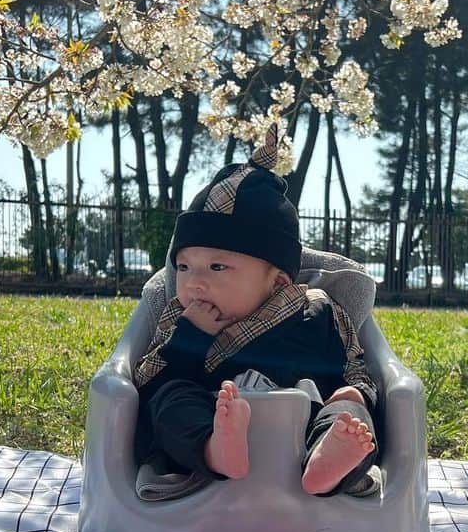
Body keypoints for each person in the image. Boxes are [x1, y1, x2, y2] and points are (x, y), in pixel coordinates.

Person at [132, 132, 378, 501]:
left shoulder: (318, 311)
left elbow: (355, 365)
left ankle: (327, 464)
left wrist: (355, 393)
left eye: (217, 267)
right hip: (210, 418)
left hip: (302, 426)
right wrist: (190, 338)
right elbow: (146, 388)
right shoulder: (179, 320)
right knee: (172, 397)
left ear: (278, 280)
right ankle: (216, 449)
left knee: (348, 415)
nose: (194, 282)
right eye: (183, 267)